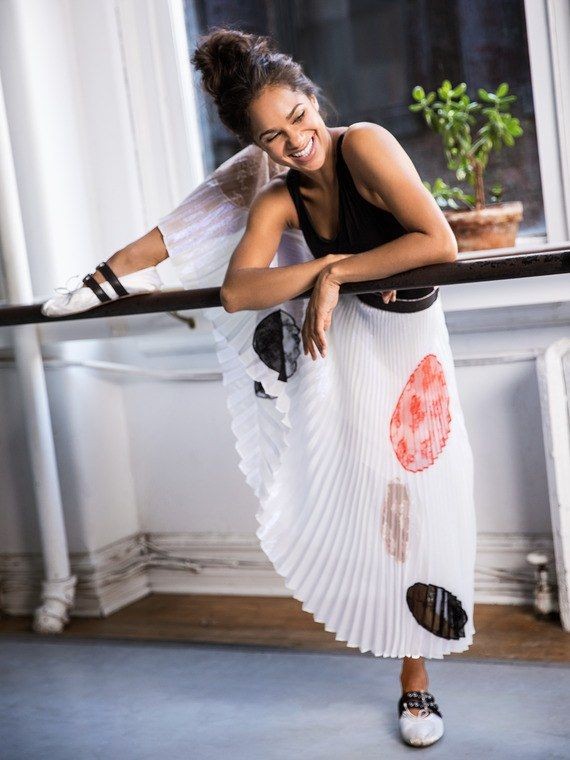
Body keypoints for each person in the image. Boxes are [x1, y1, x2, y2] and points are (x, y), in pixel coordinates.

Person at [41, 27, 477, 748]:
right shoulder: (276, 197)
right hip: (345, 350)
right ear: (256, 145)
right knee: (370, 500)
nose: (296, 141)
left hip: (410, 353)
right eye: (273, 137)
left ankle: (416, 679)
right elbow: (239, 292)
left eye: (299, 118)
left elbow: (440, 242)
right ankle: (104, 278)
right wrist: (326, 271)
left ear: (313, 99)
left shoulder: (366, 144)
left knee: (421, 500)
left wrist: (338, 271)